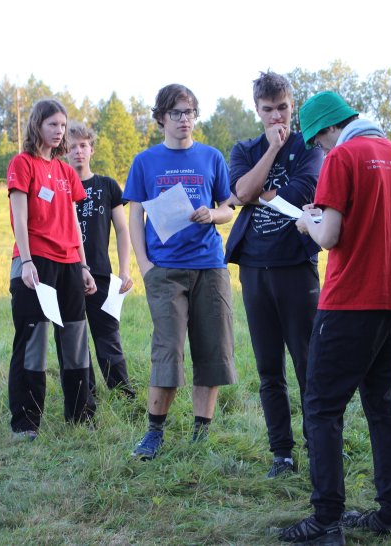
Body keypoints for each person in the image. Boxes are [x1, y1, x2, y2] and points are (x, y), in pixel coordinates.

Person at [275, 91, 391, 545]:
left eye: (317, 142)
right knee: (382, 406)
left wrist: (306, 222)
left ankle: (325, 521)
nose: (320, 150)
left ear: (327, 130)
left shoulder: (341, 157)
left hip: (350, 301)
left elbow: (329, 236)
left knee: (321, 408)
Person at [124, 83, 236, 460]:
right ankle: (154, 433)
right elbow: (135, 213)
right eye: (176, 113)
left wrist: (214, 214)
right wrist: (144, 264)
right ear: (160, 118)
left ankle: (200, 435)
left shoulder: (211, 157)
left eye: (189, 112)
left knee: (212, 350)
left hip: (210, 266)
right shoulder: (145, 161)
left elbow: (228, 206)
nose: (185, 119)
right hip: (165, 270)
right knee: (168, 349)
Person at [225, 71, 324, 478]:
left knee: (307, 365)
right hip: (254, 269)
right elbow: (244, 193)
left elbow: (297, 193)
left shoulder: (309, 147)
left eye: (283, 107)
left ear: (292, 104)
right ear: (257, 110)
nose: (277, 117)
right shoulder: (245, 149)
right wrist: (268, 154)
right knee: (269, 369)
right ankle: (281, 454)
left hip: (296, 270)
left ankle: (319, 449)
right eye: (268, 110)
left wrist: (258, 190)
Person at [6, 98, 97, 441]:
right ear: (37, 126)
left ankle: (80, 416)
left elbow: (73, 221)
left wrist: (84, 266)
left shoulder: (65, 171)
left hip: (70, 264)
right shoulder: (22, 163)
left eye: (62, 125)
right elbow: (20, 217)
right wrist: (26, 262)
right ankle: (26, 424)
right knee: (34, 343)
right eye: (52, 125)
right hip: (35, 263)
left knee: (75, 341)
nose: (59, 132)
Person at [67, 122, 135, 399]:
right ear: (64, 153)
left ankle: (124, 395)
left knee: (108, 338)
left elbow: (121, 230)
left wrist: (125, 270)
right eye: (71, 147)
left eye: (83, 146)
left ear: (91, 149)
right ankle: (85, 397)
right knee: (75, 340)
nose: (78, 152)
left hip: (102, 276)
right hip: (67, 275)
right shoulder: (60, 187)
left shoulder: (106, 185)